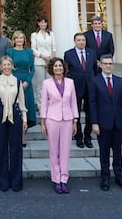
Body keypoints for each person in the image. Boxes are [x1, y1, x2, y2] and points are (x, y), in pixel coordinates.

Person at [90, 54, 122, 192]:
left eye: (110, 63)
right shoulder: (95, 81)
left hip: (118, 123)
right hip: (103, 123)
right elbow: (92, 104)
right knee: (104, 152)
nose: (108, 66)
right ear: (100, 65)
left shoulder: (119, 81)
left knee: (118, 151)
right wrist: (94, 123)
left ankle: (119, 176)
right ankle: (105, 177)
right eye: (105, 63)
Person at [0, 56, 27, 192]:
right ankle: (2, 180)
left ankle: (16, 181)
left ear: (12, 66)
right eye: (4, 65)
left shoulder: (17, 81)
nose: (6, 67)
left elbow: (22, 101)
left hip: (15, 115)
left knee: (16, 149)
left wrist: (25, 119)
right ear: (0, 67)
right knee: (0, 148)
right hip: (0, 114)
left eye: (8, 65)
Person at [40, 58, 78, 194]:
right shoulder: (47, 83)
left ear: (64, 68)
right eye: (55, 66)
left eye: (60, 66)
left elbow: (74, 102)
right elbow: (44, 103)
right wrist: (42, 122)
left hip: (67, 119)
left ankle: (64, 179)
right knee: (54, 151)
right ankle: (56, 179)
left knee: (65, 151)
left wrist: (75, 121)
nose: (58, 68)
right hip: (52, 119)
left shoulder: (70, 82)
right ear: (52, 68)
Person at [64, 33, 97, 148]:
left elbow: (95, 70)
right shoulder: (68, 54)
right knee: (75, 112)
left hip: (90, 87)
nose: (81, 42)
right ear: (75, 41)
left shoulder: (92, 53)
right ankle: (78, 136)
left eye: (83, 40)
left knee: (90, 112)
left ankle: (88, 136)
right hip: (75, 87)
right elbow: (66, 71)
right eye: (79, 40)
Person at [6, 30, 35, 147]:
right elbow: (7, 67)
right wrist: (16, 82)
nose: (19, 40)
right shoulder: (10, 52)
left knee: (25, 107)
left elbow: (32, 69)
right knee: (14, 107)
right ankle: (13, 136)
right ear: (14, 40)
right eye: (17, 38)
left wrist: (27, 81)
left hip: (26, 83)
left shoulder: (29, 52)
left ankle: (23, 136)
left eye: (21, 38)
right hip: (13, 81)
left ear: (24, 40)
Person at [31, 14, 56, 111]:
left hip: (50, 61)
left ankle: (50, 104)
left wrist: (52, 57)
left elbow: (54, 47)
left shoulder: (51, 34)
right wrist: (43, 56)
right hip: (39, 61)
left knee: (50, 84)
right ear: (38, 23)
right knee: (39, 84)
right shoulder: (34, 35)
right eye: (41, 22)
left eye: (45, 22)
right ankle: (41, 105)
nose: (43, 24)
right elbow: (33, 49)